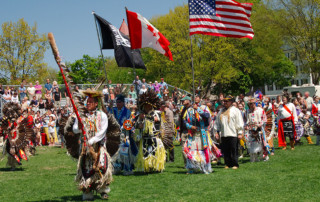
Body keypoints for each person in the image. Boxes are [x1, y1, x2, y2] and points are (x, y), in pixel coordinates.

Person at [72, 89, 113, 200]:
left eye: (90, 101)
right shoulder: (81, 115)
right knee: (86, 169)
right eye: (87, 101)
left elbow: (102, 131)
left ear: (96, 103)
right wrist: (79, 128)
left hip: (99, 147)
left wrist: (92, 141)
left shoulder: (102, 115)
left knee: (102, 168)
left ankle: (103, 190)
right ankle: (87, 192)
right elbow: (74, 129)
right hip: (85, 149)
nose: (88, 103)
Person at [135, 90, 166, 173]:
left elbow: (157, 120)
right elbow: (136, 125)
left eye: (148, 105)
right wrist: (140, 122)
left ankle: (157, 167)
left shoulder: (157, 113)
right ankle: (147, 167)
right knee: (146, 154)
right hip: (144, 138)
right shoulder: (139, 115)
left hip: (154, 138)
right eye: (145, 106)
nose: (147, 107)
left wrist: (145, 118)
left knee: (156, 154)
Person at [183, 96, 212, 174]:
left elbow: (207, 116)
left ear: (200, 99)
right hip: (193, 133)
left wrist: (198, 109)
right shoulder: (189, 110)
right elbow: (185, 121)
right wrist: (190, 126)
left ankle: (204, 168)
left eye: (197, 97)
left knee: (203, 150)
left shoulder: (204, 107)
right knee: (191, 150)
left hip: (202, 133)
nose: (196, 98)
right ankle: (191, 168)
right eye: (194, 97)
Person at [214, 95, 244, 169]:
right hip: (224, 133)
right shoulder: (221, 111)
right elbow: (217, 122)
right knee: (225, 149)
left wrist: (240, 132)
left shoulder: (235, 110)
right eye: (224, 101)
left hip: (233, 133)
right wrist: (217, 132)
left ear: (231, 102)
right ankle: (227, 163)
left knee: (233, 149)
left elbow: (239, 122)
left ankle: (235, 164)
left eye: (227, 101)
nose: (225, 103)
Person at [112, 95, 138, 175]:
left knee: (125, 151)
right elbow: (108, 115)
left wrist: (121, 127)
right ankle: (117, 167)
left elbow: (128, 123)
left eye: (119, 102)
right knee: (115, 151)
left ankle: (128, 169)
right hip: (115, 135)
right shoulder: (113, 110)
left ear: (123, 102)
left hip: (124, 134)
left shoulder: (127, 112)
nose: (117, 104)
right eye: (116, 102)